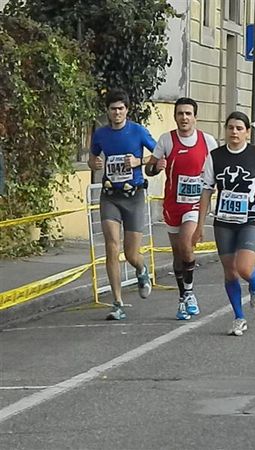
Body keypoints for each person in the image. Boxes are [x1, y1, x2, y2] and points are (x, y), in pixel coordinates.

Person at [198, 111, 255, 336]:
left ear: (247, 132)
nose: (234, 132)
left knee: (244, 268)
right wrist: (199, 225)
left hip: (250, 217)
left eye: (239, 128)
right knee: (229, 272)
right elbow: (206, 190)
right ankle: (238, 317)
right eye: (230, 128)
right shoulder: (214, 157)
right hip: (223, 220)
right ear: (225, 130)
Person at [145, 98, 218, 320]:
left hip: (196, 203)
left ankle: (189, 292)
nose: (184, 118)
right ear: (175, 117)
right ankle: (183, 296)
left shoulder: (207, 141)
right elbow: (150, 169)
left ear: (195, 117)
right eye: (180, 114)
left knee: (187, 245)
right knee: (178, 255)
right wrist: (155, 167)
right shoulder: (166, 140)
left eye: (188, 114)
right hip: (172, 205)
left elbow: (218, 168)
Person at [88, 88, 156, 320]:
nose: (117, 112)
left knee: (130, 253)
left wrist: (139, 160)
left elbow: (159, 154)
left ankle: (141, 269)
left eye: (121, 108)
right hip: (110, 196)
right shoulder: (101, 134)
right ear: (107, 111)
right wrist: (94, 163)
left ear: (127, 110)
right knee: (111, 247)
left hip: (133, 196)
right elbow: (92, 158)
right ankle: (117, 303)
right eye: (113, 109)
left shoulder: (137, 131)